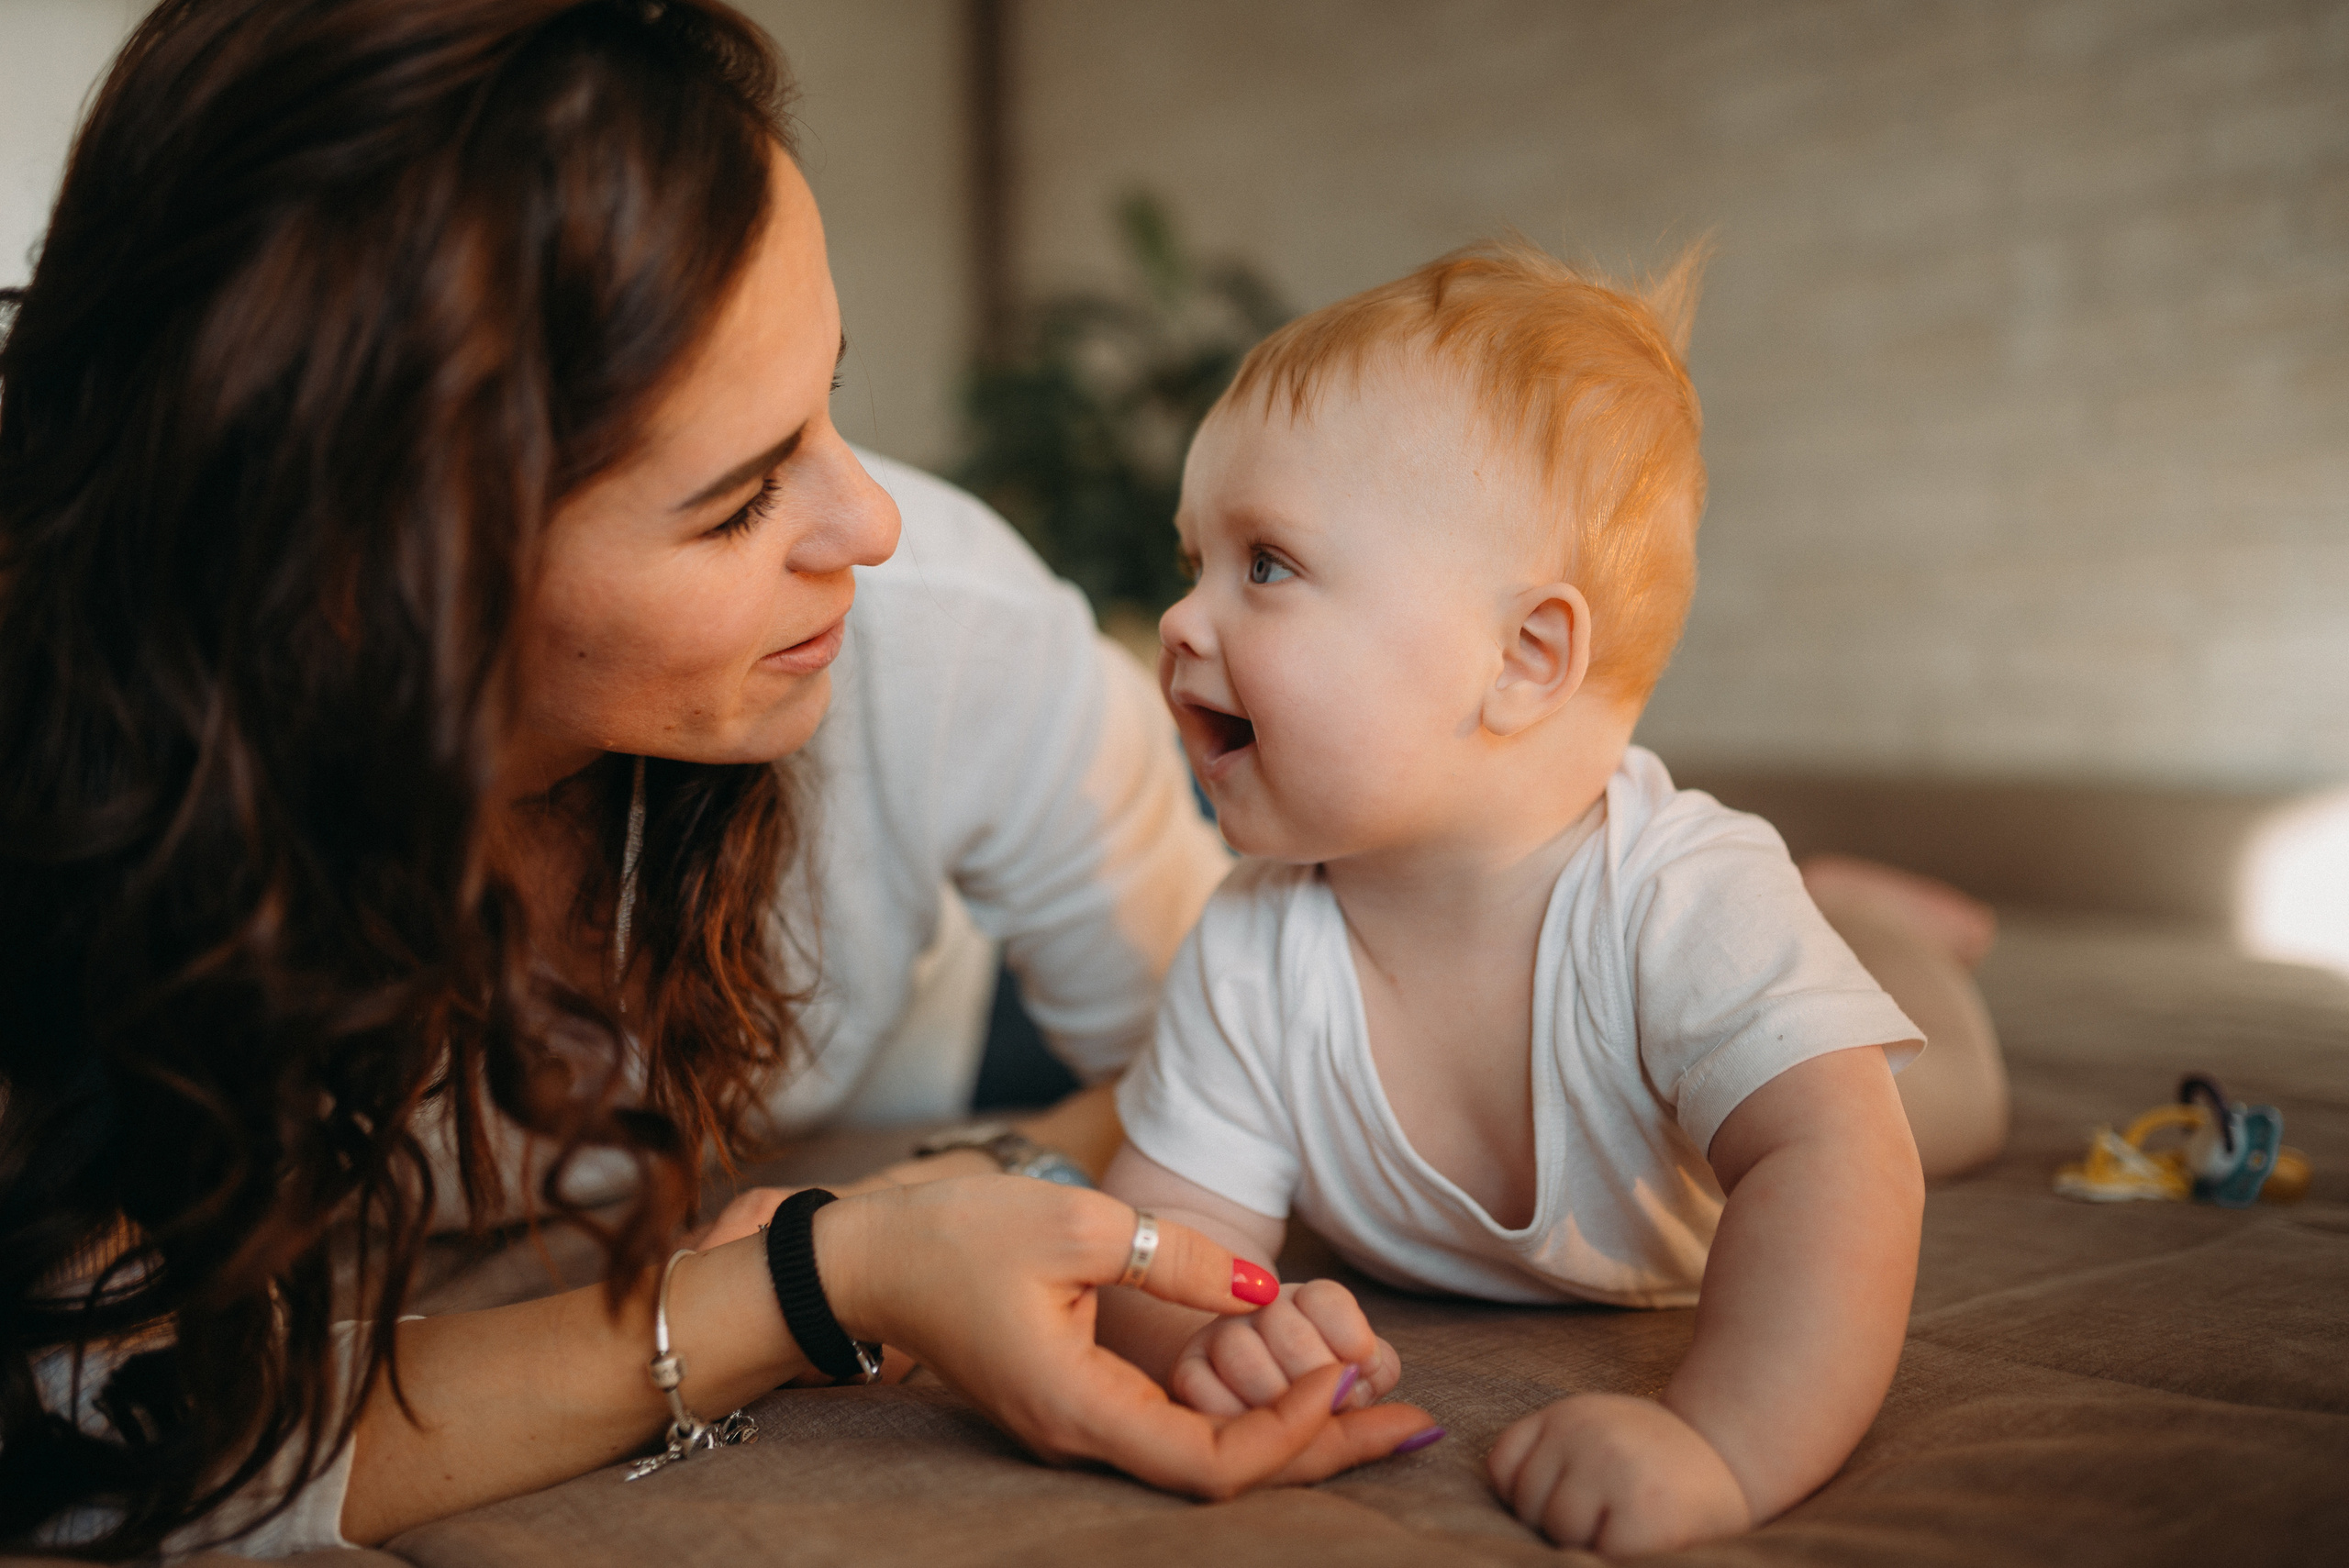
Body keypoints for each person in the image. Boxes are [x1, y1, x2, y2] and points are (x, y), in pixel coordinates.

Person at [0, 3, 1431, 1558]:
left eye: (832, 392)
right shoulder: (80, 776)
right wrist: (823, 1276)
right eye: (743, 498)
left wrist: (947, 1193)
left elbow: (1219, 1078)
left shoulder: (951, 639)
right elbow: (123, 1429)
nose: (869, 521)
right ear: (375, 585)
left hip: (943, 1015)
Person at [1093, 239, 2008, 1554]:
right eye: (1194, 561)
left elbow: (1838, 1165)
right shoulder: (1251, 937)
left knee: (1939, 1104)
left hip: (1777, 1021)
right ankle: (1841, 912)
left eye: (1268, 564)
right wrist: (1220, 1337)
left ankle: (1877, 930)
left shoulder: (1681, 897)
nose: (1183, 621)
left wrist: (1721, 1444)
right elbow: (1169, 1232)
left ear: (1525, 658)